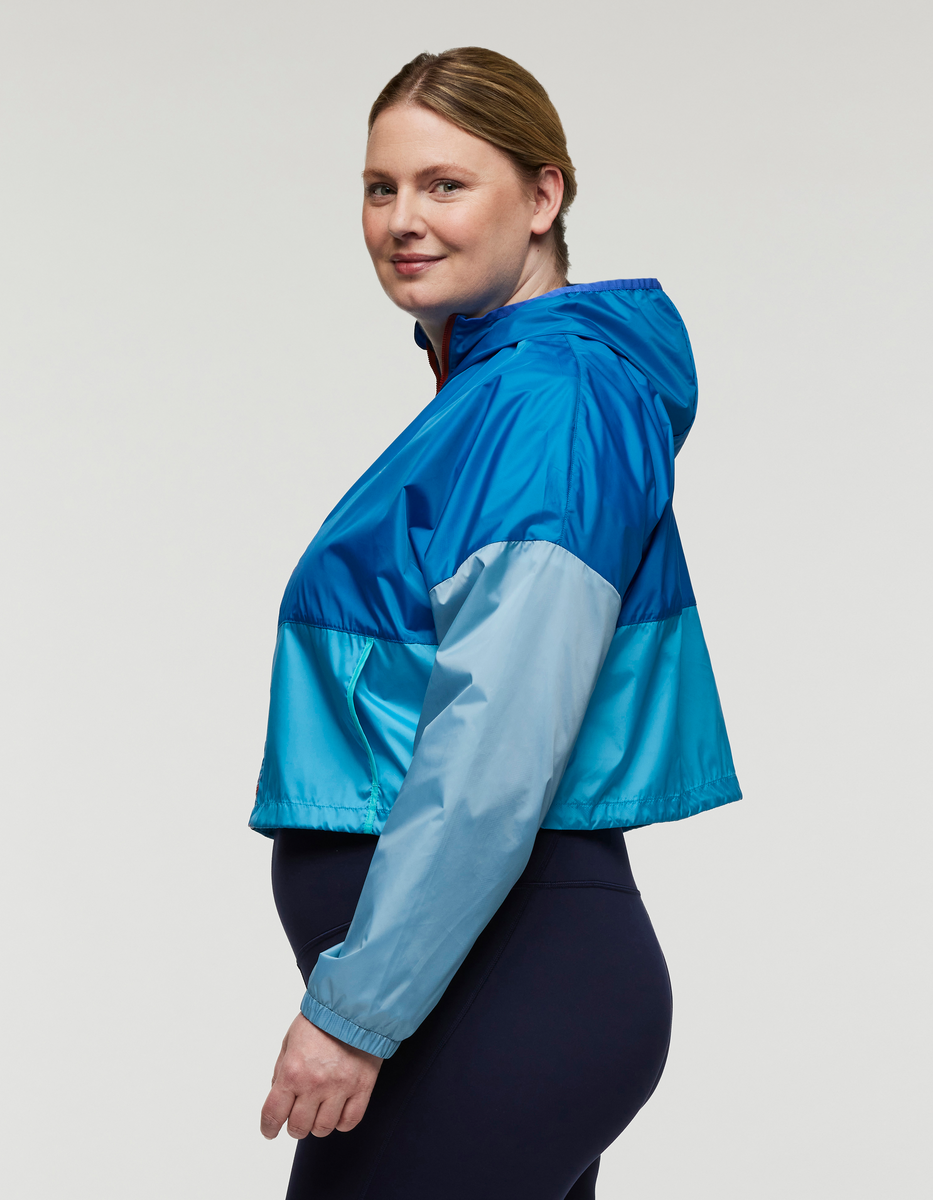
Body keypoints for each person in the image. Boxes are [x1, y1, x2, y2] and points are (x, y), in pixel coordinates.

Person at [250, 47, 740, 1199]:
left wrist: (356, 1011)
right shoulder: (499, 394)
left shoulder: (548, 400)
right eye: (381, 187)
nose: (403, 220)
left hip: (500, 988)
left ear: (543, 194)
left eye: (445, 184)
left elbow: (497, 739)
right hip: (493, 988)